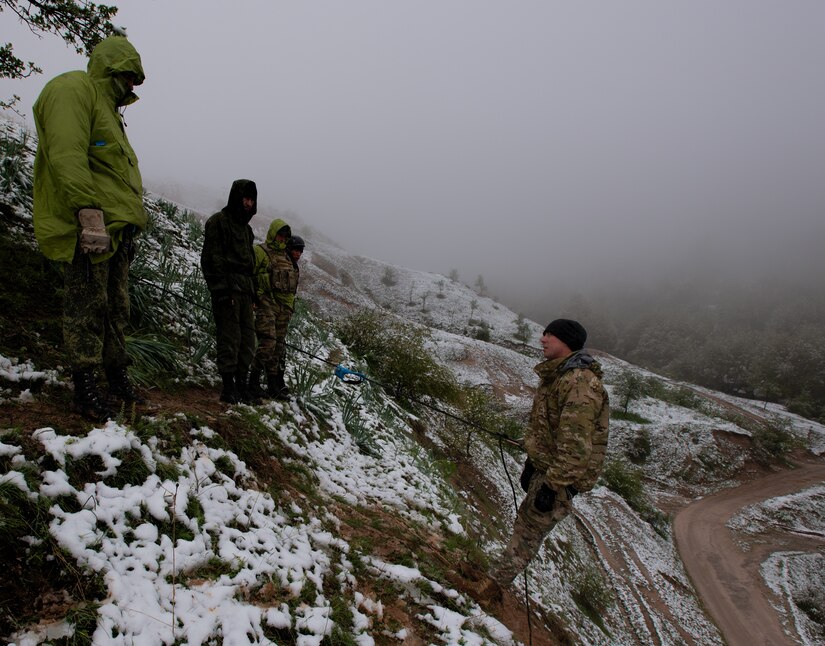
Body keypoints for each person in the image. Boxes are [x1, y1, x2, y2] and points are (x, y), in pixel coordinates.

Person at [32, 34, 148, 422]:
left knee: (116, 308)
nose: (133, 85)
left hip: (117, 231)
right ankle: (84, 386)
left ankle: (115, 377)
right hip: (94, 229)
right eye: (130, 76)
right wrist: (88, 214)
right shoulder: (73, 89)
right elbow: (67, 153)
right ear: (114, 68)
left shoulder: (110, 110)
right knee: (86, 307)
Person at [483, 319, 610, 598]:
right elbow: (550, 429)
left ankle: (488, 589)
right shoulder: (559, 377)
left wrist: (552, 487)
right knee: (524, 527)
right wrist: (532, 456)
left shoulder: (579, 383)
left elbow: (576, 448)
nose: (542, 339)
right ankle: (492, 581)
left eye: (549, 335)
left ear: (566, 341)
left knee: (527, 535)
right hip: (549, 469)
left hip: (559, 479)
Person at [200, 179, 258, 404]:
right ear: (236, 197)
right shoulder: (218, 222)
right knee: (229, 338)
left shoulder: (247, 230)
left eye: (251, 199)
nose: (248, 203)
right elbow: (211, 259)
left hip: (245, 291)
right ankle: (228, 386)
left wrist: (253, 295)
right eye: (245, 198)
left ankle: (242, 384)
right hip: (228, 290)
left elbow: (250, 265)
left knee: (247, 341)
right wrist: (221, 291)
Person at [248, 221, 303, 400]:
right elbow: (250, 275)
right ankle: (252, 382)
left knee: (278, 348)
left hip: (284, 309)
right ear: (273, 233)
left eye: (285, 237)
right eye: (280, 235)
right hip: (265, 304)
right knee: (268, 343)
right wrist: (252, 298)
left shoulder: (287, 258)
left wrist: (288, 308)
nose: (282, 239)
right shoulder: (260, 251)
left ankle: (272, 386)